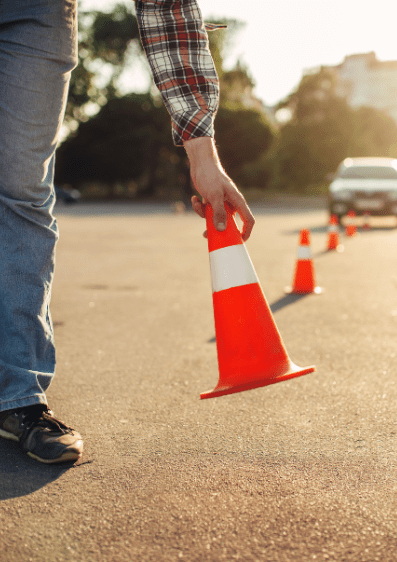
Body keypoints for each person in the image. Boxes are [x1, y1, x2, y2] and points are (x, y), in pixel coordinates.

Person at [0, 0, 255, 464]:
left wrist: (204, 155)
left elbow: (166, 7)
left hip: (35, 13)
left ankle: (18, 397)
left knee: (23, 191)